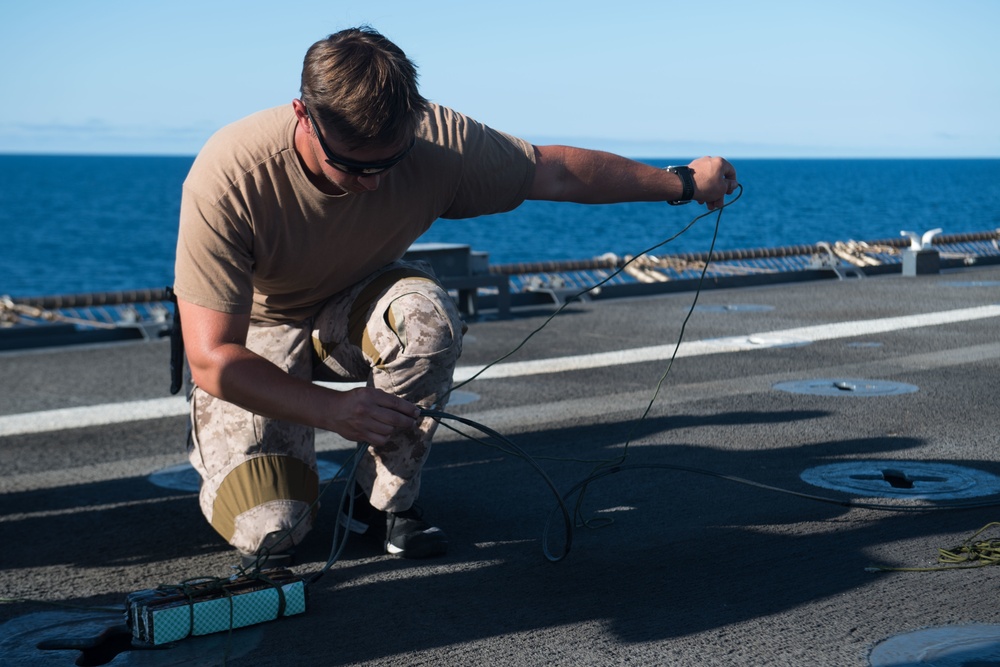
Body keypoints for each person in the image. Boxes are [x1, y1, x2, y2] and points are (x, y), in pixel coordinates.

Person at [173, 26, 738, 567]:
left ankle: (382, 503)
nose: (371, 182)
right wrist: (331, 411)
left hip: (352, 306)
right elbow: (212, 358)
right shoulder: (230, 175)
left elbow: (557, 174)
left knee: (424, 321)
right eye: (349, 164)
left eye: (386, 164)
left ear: (415, 119)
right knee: (272, 531)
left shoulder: (438, 139)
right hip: (256, 333)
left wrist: (684, 182)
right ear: (303, 114)